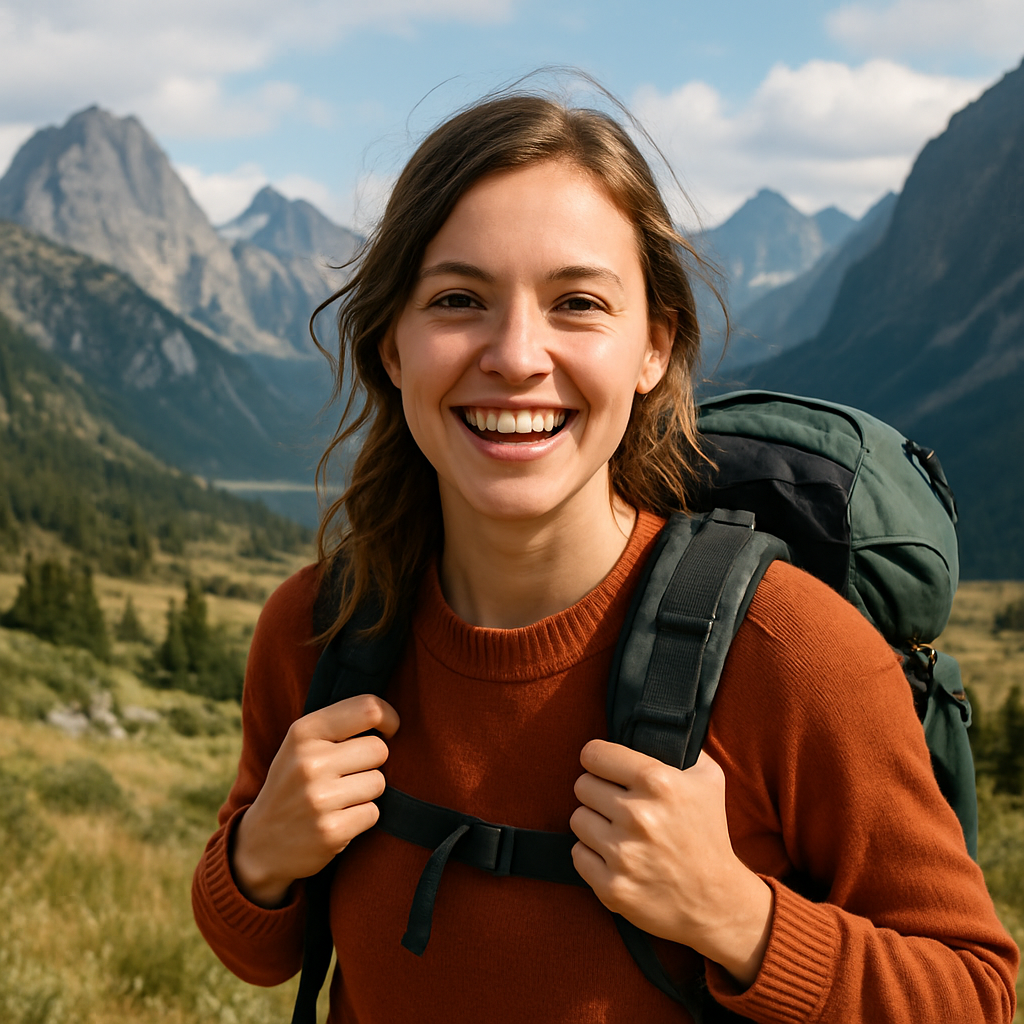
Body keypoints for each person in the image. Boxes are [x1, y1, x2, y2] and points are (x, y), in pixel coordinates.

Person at [192, 91, 1018, 1023]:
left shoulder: (795, 653)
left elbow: (975, 996)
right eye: (458, 300)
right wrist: (260, 855)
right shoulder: (320, 629)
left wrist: (739, 919)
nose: (514, 356)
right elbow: (254, 952)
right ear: (392, 343)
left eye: (577, 303)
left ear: (654, 348)